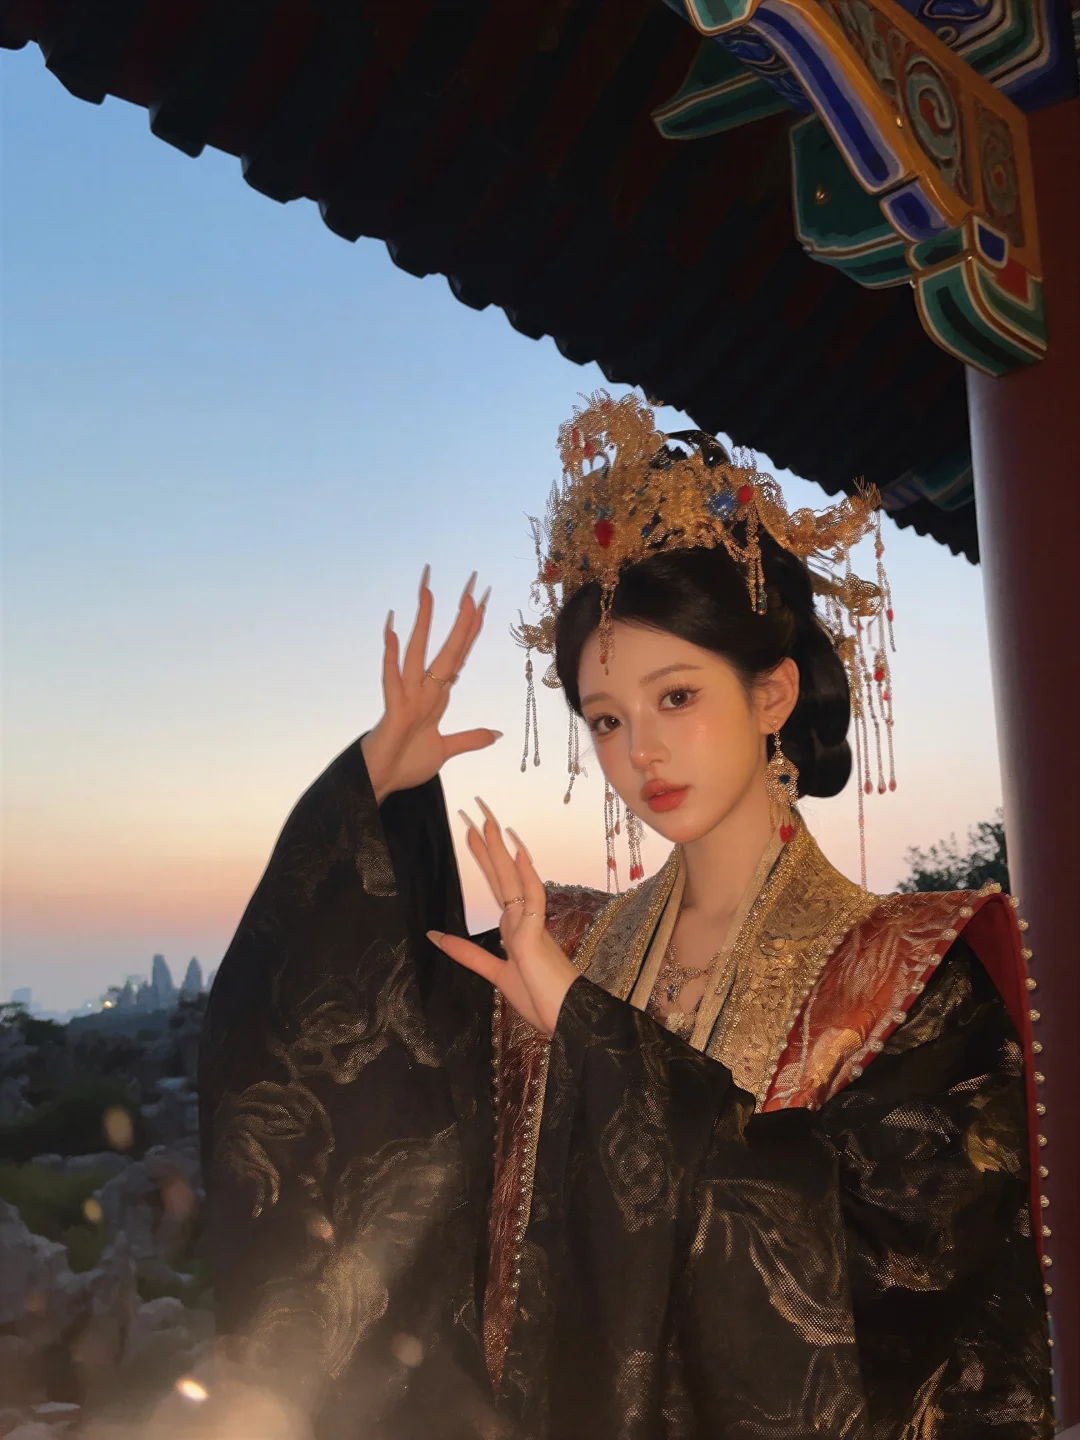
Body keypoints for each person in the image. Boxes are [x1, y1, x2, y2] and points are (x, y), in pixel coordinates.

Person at [200, 394, 1053, 1439]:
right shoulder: (559, 944)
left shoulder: (915, 974)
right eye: (606, 719)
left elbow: (891, 1284)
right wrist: (376, 789)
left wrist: (595, 1041)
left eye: (676, 697)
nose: (639, 750)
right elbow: (352, 1078)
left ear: (772, 694)